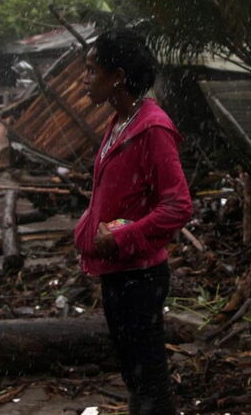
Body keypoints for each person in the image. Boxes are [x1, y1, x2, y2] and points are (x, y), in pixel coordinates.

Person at [73, 28, 192, 415]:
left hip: (140, 277)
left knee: (150, 383)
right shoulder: (120, 122)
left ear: (118, 76)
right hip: (118, 273)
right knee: (134, 376)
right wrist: (87, 228)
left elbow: (178, 206)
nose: (85, 79)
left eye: (92, 71)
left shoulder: (152, 127)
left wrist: (124, 235)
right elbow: (118, 195)